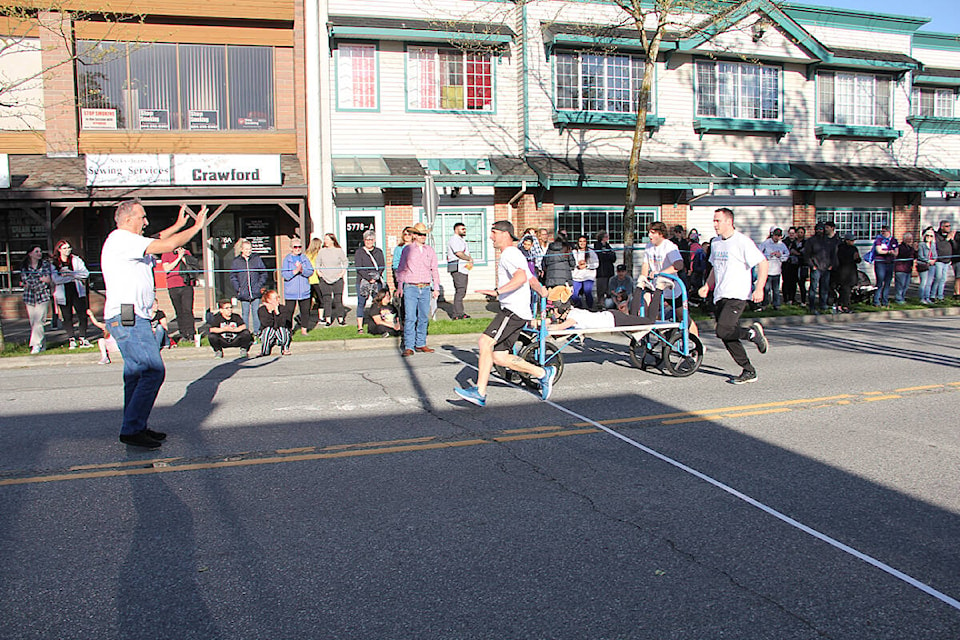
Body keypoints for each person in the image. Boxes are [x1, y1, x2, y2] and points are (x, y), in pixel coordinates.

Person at [101, 200, 206, 449]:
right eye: (142, 217)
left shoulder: (127, 241)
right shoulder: (122, 240)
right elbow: (167, 244)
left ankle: (135, 425)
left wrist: (179, 224)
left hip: (132, 315)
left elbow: (158, 237)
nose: (145, 221)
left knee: (136, 375)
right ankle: (132, 428)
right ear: (128, 219)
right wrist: (196, 227)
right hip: (129, 316)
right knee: (152, 371)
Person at [455, 220, 555, 407]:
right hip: (518, 311)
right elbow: (530, 278)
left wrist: (498, 292)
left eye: (494, 232)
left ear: (505, 234)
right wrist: (542, 292)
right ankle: (543, 373)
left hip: (513, 310)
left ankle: (479, 392)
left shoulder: (509, 254)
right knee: (499, 357)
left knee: (485, 342)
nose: (491, 236)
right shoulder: (516, 254)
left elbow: (520, 277)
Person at [697, 208, 769, 385]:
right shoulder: (716, 243)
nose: (715, 224)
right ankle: (748, 370)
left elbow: (763, 263)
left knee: (722, 330)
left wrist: (759, 288)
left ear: (729, 221)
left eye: (718, 221)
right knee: (727, 335)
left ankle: (752, 333)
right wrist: (707, 285)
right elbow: (715, 267)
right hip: (720, 295)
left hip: (737, 294)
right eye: (714, 221)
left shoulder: (742, 241)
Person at [395, 222, 440, 356]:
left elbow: (434, 269)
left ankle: (421, 343)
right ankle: (409, 346)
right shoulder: (407, 249)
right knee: (410, 317)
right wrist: (400, 286)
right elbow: (401, 268)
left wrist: (436, 287)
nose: (422, 237)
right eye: (420, 234)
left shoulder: (429, 250)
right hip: (411, 287)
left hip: (425, 287)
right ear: (414, 235)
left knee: (423, 317)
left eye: (424, 235)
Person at [51, 240, 93, 349]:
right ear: (59, 249)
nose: (67, 250)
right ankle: (71, 339)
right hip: (63, 292)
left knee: (82, 315)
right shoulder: (55, 263)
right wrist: (70, 277)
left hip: (77, 290)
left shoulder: (76, 260)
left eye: (69, 248)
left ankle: (83, 338)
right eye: (64, 248)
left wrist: (70, 274)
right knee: (67, 316)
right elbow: (56, 279)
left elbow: (84, 273)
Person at [19, 245, 55, 354]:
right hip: (29, 296)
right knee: (33, 322)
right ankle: (42, 344)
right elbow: (26, 280)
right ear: (30, 253)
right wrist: (39, 280)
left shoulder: (45, 265)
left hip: (42, 296)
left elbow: (47, 279)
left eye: (40, 251)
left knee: (39, 320)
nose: (39, 253)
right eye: (36, 251)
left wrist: (39, 281)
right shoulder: (25, 266)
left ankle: (35, 345)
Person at [161, 244, 198, 344]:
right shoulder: (166, 253)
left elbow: (192, 266)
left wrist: (183, 256)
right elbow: (167, 268)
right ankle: (183, 333)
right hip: (173, 285)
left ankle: (191, 333)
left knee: (187, 310)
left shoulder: (186, 252)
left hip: (186, 284)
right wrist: (178, 258)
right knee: (179, 310)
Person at [230, 239, 268, 336]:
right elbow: (233, 276)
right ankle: (245, 333)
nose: (248, 251)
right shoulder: (236, 261)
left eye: (250, 249)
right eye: (246, 249)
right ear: (242, 249)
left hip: (255, 291)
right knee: (245, 313)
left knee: (256, 313)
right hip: (243, 292)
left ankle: (257, 333)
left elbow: (263, 273)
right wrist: (238, 288)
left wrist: (259, 285)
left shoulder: (256, 259)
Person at [803, 221, 838, 314]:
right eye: (818, 229)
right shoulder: (811, 241)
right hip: (816, 267)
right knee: (813, 287)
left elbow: (833, 254)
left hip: (826, 267)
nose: (819, 231)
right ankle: (812, 306)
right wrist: (812, 265)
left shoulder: (828, 241)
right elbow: (807, 255)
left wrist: (831, 265)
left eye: (821, 229)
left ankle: (823, 305)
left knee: (824, 288)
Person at [355, 229, 386, 332]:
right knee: (361, 303)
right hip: (363, 281)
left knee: (377, 303)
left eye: (371, 239)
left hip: (376, 281)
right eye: (367, 240)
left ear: (374, 240)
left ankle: (379, 324)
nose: (369, 241)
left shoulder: (379, 251)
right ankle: (360, 326)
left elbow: (382, 266)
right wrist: (368, 278)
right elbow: (359, 267)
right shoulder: (359, 252)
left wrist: (375, 277)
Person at [281, 237, 314, 334]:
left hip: (304, 290)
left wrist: (302, 271)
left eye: (299, 247)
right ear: (291, 248)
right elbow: (285, 275)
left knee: (305, 311)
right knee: (289, 312)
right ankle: (289, 330)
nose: (297, 249)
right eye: (295, 247)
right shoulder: (287, 259)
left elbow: (310, 271)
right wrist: (295, 272)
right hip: (291, 291)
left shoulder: (304, 258)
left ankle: (304, 330)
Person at [317, 233, 349, 326]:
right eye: (325, 239)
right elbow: (318, 262)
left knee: (338, 299)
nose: (325, 241)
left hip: (337, 278)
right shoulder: (322, 251)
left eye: (327, 239)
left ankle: (340, 319)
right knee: (327, 300)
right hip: (325, 279)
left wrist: (343, 272)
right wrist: (319, 272)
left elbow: (345, 261)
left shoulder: (338, 251)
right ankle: (327, 319)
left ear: (332, 240)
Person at [446, 222, 473, 320]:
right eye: (462, 229)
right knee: (460, 290)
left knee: (462, 291)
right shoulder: (454, 239)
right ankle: (456, 314)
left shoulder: (461, 240)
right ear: (456, 229)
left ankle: (460, 312)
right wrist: (469, 259)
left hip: (463, 268)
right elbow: (459, 253)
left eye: (465, 229)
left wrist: (470, 261)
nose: (464, 230)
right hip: (457, 267)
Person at [759, 228, 788, 310]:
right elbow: (759, 253)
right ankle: (764, 304)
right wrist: (768, 256)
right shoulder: (766, 243)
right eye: (775, 235)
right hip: (767, 270)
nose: (776, 237)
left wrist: (780, 255)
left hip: (777, 270)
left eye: (778, 236)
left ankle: (776, 304)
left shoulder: (782, 245)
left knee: (776, 289)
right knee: (766, 289)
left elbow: (787, 255)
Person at [258, 289, 292, 356]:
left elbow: (282, 323)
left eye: (278, 297)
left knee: (283, 329)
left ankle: (285, 348)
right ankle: (265, 350)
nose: (278, 300)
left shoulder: (283, 308)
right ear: (268, 300)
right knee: (268, 329)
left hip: (280, 334)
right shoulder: (262, 310)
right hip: (268, 335)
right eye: (275, 298)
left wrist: (277, 312)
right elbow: (266, 324)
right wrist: (270, 312)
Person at [870, 225, 898, 307]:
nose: (882, 233)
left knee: (888, 282)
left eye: (884, 231)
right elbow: (879, 250)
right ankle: (876, 300)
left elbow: (896, 252)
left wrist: (890, 252)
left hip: (890, 263)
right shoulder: (879, 240)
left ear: (888, 232)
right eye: (881, 231)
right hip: (880, 262)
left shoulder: (893, 240)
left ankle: (885, 300)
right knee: (880, 281)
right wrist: (889, 252)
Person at [835, 233, 861, 313]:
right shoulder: (841, 248)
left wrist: (857, 258)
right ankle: (844, 305)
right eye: (851, 240)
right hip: (843, 271)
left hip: (852, 270)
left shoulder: (854, 248)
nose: (853, 242)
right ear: (846, 240)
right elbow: (841, 259)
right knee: (845, 289)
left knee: (849, 289)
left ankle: (842, 304)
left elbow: (858, 260)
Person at [571, 235, 599, 309]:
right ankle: (579, 306)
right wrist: (578, 266)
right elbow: (571, 263)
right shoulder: (574, 252)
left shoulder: (591, 252)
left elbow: (596, 264)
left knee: (587, 291)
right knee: (574, 293)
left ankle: (590, 308)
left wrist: (587, 265)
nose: (582, 243)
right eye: (580, 241)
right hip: (577, 276)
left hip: (588, 275)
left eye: (584, 241)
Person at [593, 231, 616, 310]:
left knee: (609, 289)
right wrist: (606, 255)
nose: (607, 238)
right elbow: (600, 257)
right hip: (601, 272)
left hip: (609, 271)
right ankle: (600, 305)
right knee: (601, 289)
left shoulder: (608, 246)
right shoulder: (597, 246)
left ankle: (610, 305)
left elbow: (613, 257)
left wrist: (607, 255)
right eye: (606, 236)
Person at [304, 237, 325, 326]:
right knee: (321, 300)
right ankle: (320, 318)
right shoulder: (318, 255)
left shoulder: (306, 254)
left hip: (308, 280)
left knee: (308, 300)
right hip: (316, 280)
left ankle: (303, 316)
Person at [932, 220, 953, 302]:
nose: (949, 228)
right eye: (947, 226)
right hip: (939, 260)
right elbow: (939, 246)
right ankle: (932, 294)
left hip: (947, 261)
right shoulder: (937, 236)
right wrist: (947, 239)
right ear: (942, 227)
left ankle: (940, 296)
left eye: (949, 226)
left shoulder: (949, 236)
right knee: (938, 277)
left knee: (943, 279)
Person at [893, 232, 916, 304]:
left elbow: (914, 256)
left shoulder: (910, 248)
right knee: (900, 285)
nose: (910, 241)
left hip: (908, 269)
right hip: (901, 269)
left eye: (911, 239)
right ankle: (898, 298)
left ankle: (902, 297)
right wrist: (913, 250)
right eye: (908, 239)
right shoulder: (900, 247)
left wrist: (916, 250)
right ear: (904, 239)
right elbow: (904, 254)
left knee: (906, 285)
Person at [917, 227, 938, 304]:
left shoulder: (933, 245)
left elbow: (935, 254)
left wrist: (934, 260)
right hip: (924, 265)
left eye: (931, 236)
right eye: (927, 235)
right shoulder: (921, 245)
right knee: (924, 282)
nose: (929, 237)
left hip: (932, 265)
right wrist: (928, 260)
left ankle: (927, 297)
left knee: (929, 282)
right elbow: (920, 256)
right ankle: (922, 298)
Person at [782, 227, 801, 305]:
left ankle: (792, 298)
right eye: (790, 233)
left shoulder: (797, 242)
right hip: (786, 264)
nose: (791, 235)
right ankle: (786, 298)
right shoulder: (784, 242)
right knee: (786, 281)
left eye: (793, 233)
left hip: (795, 264)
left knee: (793, 282)